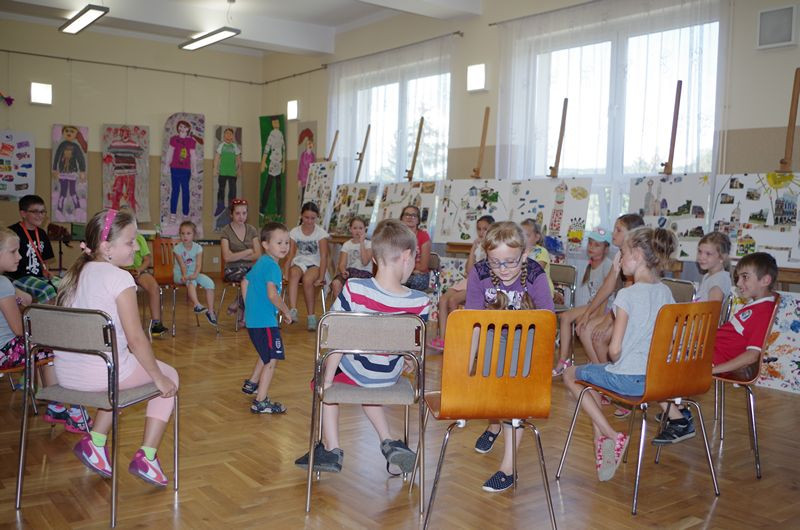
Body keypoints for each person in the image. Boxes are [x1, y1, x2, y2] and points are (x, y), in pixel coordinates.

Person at [294, 218, 430, 474]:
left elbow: (334, 335)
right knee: (368, 382)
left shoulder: (355, 289)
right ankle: (388, 441)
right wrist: (408, 362)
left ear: (375, 258)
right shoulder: (421, 301)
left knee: (321, 380)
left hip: (359, 371)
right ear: (407, 256)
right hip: (388, 375)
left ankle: (332, 449)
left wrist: (327, 380)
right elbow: (414, 352)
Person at [55, 209, 179, 487]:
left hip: (66, 374)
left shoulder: (74, 274)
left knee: (120, 379)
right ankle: (147, 457)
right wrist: (158, 378)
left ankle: (96, 442)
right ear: (106, 247)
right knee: (169, 377)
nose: (136, 247)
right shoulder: (120, 278)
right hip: (102, 374)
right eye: (130, 242)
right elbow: (136, 339)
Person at [562, 226, 677, 481]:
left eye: (622, 253)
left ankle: (612, 435)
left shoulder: (626, 294)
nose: (619, 260)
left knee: (571, 375)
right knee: (590, 378)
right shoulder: (666, 292)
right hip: (657, 381)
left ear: (637, 255)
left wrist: (616, 356)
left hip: (628, 380)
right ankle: (600, 438)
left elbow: (614, 351)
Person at [465, 221, 555, 493]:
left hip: (526, 334)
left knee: (512, 396)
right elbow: (473, 322)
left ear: (524, 255)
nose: (503, 269)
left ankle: (508, 469)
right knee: (492, 388)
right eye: (496, 262)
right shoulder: (479, 272)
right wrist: (468, 364)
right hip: (493, 330)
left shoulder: (535, 274)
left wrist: (540, 365)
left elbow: (547, 322)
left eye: (510, 262)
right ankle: (494, 427)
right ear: (486, 257)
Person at [653, 252, 777, 445]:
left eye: (745, 277)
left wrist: (712, 370)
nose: (739, 283)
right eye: (738, 277)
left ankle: (679, 421)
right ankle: (678, 409)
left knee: (652, 367)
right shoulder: (757, 306)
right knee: (659, 351)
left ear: (765, 280)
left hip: (710, 360)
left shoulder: (762, 311)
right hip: (705, 352)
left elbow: (752, 355)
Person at [0, 227, 88, 432]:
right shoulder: (3, 284)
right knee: (62, 346)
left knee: (48, 347)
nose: (19, 256)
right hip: (5, 351)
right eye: (13, 252)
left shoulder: (6, 283)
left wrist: (18, 298)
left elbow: (23, 302)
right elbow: (19, 329)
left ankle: (56, 405)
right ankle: (75, 412)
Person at [553, 215, 645, 377]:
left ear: (632, 234)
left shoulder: (633, 260)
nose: (613, 233)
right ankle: (601, 375)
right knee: (585, 328)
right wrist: (587, 314)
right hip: (619, 312)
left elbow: (626, 300)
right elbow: (607, 287)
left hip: (632, 316)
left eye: (618, 230)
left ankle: (609, 377)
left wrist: (607, 321)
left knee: (594, 334)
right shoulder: (619, 256)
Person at [240, 222, 294, 412]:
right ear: (265, 244)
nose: (284, 246)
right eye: (279, 243)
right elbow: (272, 295)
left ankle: (252, 383)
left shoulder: (262, 262)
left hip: (255, 321)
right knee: (272, 359)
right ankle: (261, 402)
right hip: (265, 322)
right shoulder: (272, 267)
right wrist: (286, 310)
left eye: (287, 242)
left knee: (265, 352)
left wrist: (250, 308)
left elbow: (245, 282)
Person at [429, 214, 494, 351]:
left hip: (481, 283)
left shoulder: (494, 247)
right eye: (479, 229)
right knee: (443, 300)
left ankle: (457, 337)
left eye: (485, 229)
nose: (481, 232)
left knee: (453, 300)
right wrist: (473, 249)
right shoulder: (478, 246)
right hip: (470, 279)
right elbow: (469, 271)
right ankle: (443, 339)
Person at [552, 228, 612, 375]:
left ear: (606, 249)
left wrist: (593, 318)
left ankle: (597, 367)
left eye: (597, 245)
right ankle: (563, 361)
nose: (591, 247)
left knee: (582, 324)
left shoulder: (607, 265)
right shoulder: (592, 264)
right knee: (564, 317)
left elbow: (606, 296)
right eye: (590, 243)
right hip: (593, 305)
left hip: (606, 308)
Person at [285, 202, 329, 331]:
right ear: (301, 216)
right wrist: (286, 272)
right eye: (306, 217)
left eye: (312, 218)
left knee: (307, 280)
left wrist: (321, 277)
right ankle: (293, 310)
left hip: (315, 264)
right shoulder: (295, 232)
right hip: (299, 263)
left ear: (316, 218)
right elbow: (291, 254)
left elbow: (324, 257)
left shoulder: (320, 233)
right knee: (293, 274)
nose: (309, 221)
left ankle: (311, 316)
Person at [8, 195, 60, 304]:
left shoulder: (42, 233)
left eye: (42, 212)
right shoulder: (12, 233)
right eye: (35, 212)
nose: (40, 215)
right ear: (23, 213)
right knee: (47, 290)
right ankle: (41, 314)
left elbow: (44, 260)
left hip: (39, 276)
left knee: (64, 285)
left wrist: (45, 271)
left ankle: (59, 312)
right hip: (18, 277)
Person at [220, 199, 261, 320]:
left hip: (250, 268)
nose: (241, 216)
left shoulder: (252, 230)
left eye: (244, 213)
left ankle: (238, 303)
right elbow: (227, 257)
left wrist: (235, 255)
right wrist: (248, 251)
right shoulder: (226, 231)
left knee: (259, 278)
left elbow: (258, 254)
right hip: (232, 269)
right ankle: (247, 315)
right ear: (231, 214)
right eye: (237, 213)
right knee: (249, 279)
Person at [173, 221, 217, 326]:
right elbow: (182, 265)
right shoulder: (177, 249)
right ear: (180, 234)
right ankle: (197, 305)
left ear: (194, 235)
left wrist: (196, 274)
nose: (185, 236)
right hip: (180, 274)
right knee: (191, 282)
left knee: (210, 283)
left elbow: (198, 264)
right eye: (183, 233)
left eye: (188, 233)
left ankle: (210, 312)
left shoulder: (198, 248)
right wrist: (185, 276)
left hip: (194, 273)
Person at [125, 233, 168, 337]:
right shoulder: (115, 236)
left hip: (139, 271)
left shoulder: (139, 238)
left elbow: (147, 259)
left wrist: (139, 270)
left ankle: (156, 324)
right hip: (121, 271)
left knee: (154, 287)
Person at [329, 216, 373, 303]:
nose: (358, 231)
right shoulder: (347, 244)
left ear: (365, 229)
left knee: (354, 285)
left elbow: (365, 262)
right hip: (350, 272)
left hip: (364, 274)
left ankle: (354, 307)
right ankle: (342, 306)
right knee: (336, 283)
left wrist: (361, 243)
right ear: (350, 229)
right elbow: (342, 264)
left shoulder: (369, 244)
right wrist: (343, 271)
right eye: (355, 228)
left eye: (361, 228)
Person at [165, 120, 200, 224]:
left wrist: (194, 170)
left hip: (186, 169)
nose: (182, 128)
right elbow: (170, 153)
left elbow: (193, 157)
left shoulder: (191, 141)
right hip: (174, 168)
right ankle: (173, 214)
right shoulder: (174, 139)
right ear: (178, 127)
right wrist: (166, 166)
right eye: (180, 126)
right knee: (175, 191)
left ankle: (185, 214)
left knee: (185, 191)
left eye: (185, 127)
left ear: (188, 129)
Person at [400, 205, 431, 291]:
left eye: (414, 215)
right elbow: (392, 261)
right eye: (407, 214)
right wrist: (413, 269)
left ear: (418, 220)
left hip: (419, 276)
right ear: (401, 218)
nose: (410, 217)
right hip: (402, 272)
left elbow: (423, 267)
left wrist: (408, 269)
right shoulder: (397, 236)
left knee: (410, 282)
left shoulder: (423, 236)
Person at [213, 128, 242, 217]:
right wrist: (215, 169)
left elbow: (238, 158)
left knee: (232, 190)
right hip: (222, 172)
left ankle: (231, 208)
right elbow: (217, 157)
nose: (228, 135)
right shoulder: (221, 146)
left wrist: (239, 169)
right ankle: (220, 206)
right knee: (221, 189)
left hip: (232, 173)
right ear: (224, 136)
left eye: (230, 134)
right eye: (226, 133)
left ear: (232, 136)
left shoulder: (234, 146)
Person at [521, 218, 554, 294]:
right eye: (521, 235)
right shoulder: (519, 252)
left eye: (527, 235)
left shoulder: (541, 251)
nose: (523, 238)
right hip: (527, 290)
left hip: (543, 292)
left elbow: (536, 271)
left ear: (537, 237)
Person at [260, 117, 285, 216]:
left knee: (278, 188)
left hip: (279, 163)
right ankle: (262, 209)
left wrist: (283, 163)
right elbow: (267, 148)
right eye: (274, 122)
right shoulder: (272, 134)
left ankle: (279, 211)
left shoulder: (281, 134)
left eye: (277, 122)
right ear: (272, 124)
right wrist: (263, 162)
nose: (276, 123)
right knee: (268, 186)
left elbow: (283, 149)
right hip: (273, 162)